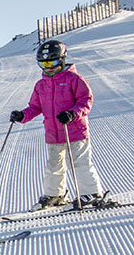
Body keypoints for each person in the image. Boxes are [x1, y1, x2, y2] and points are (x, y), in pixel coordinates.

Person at [9, 39, 106, 210]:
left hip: (75, 131)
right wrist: (22, 115)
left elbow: (86, 101)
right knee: (54, 165)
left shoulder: (74, 79)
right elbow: (35, 107)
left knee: (79, 162)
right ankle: (55, 195)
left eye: (52, 62)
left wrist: (72, 114)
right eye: (43, 63)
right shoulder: (41, 85)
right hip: (53, 134)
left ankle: (91, 192)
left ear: (61, 59)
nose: (48, 67)